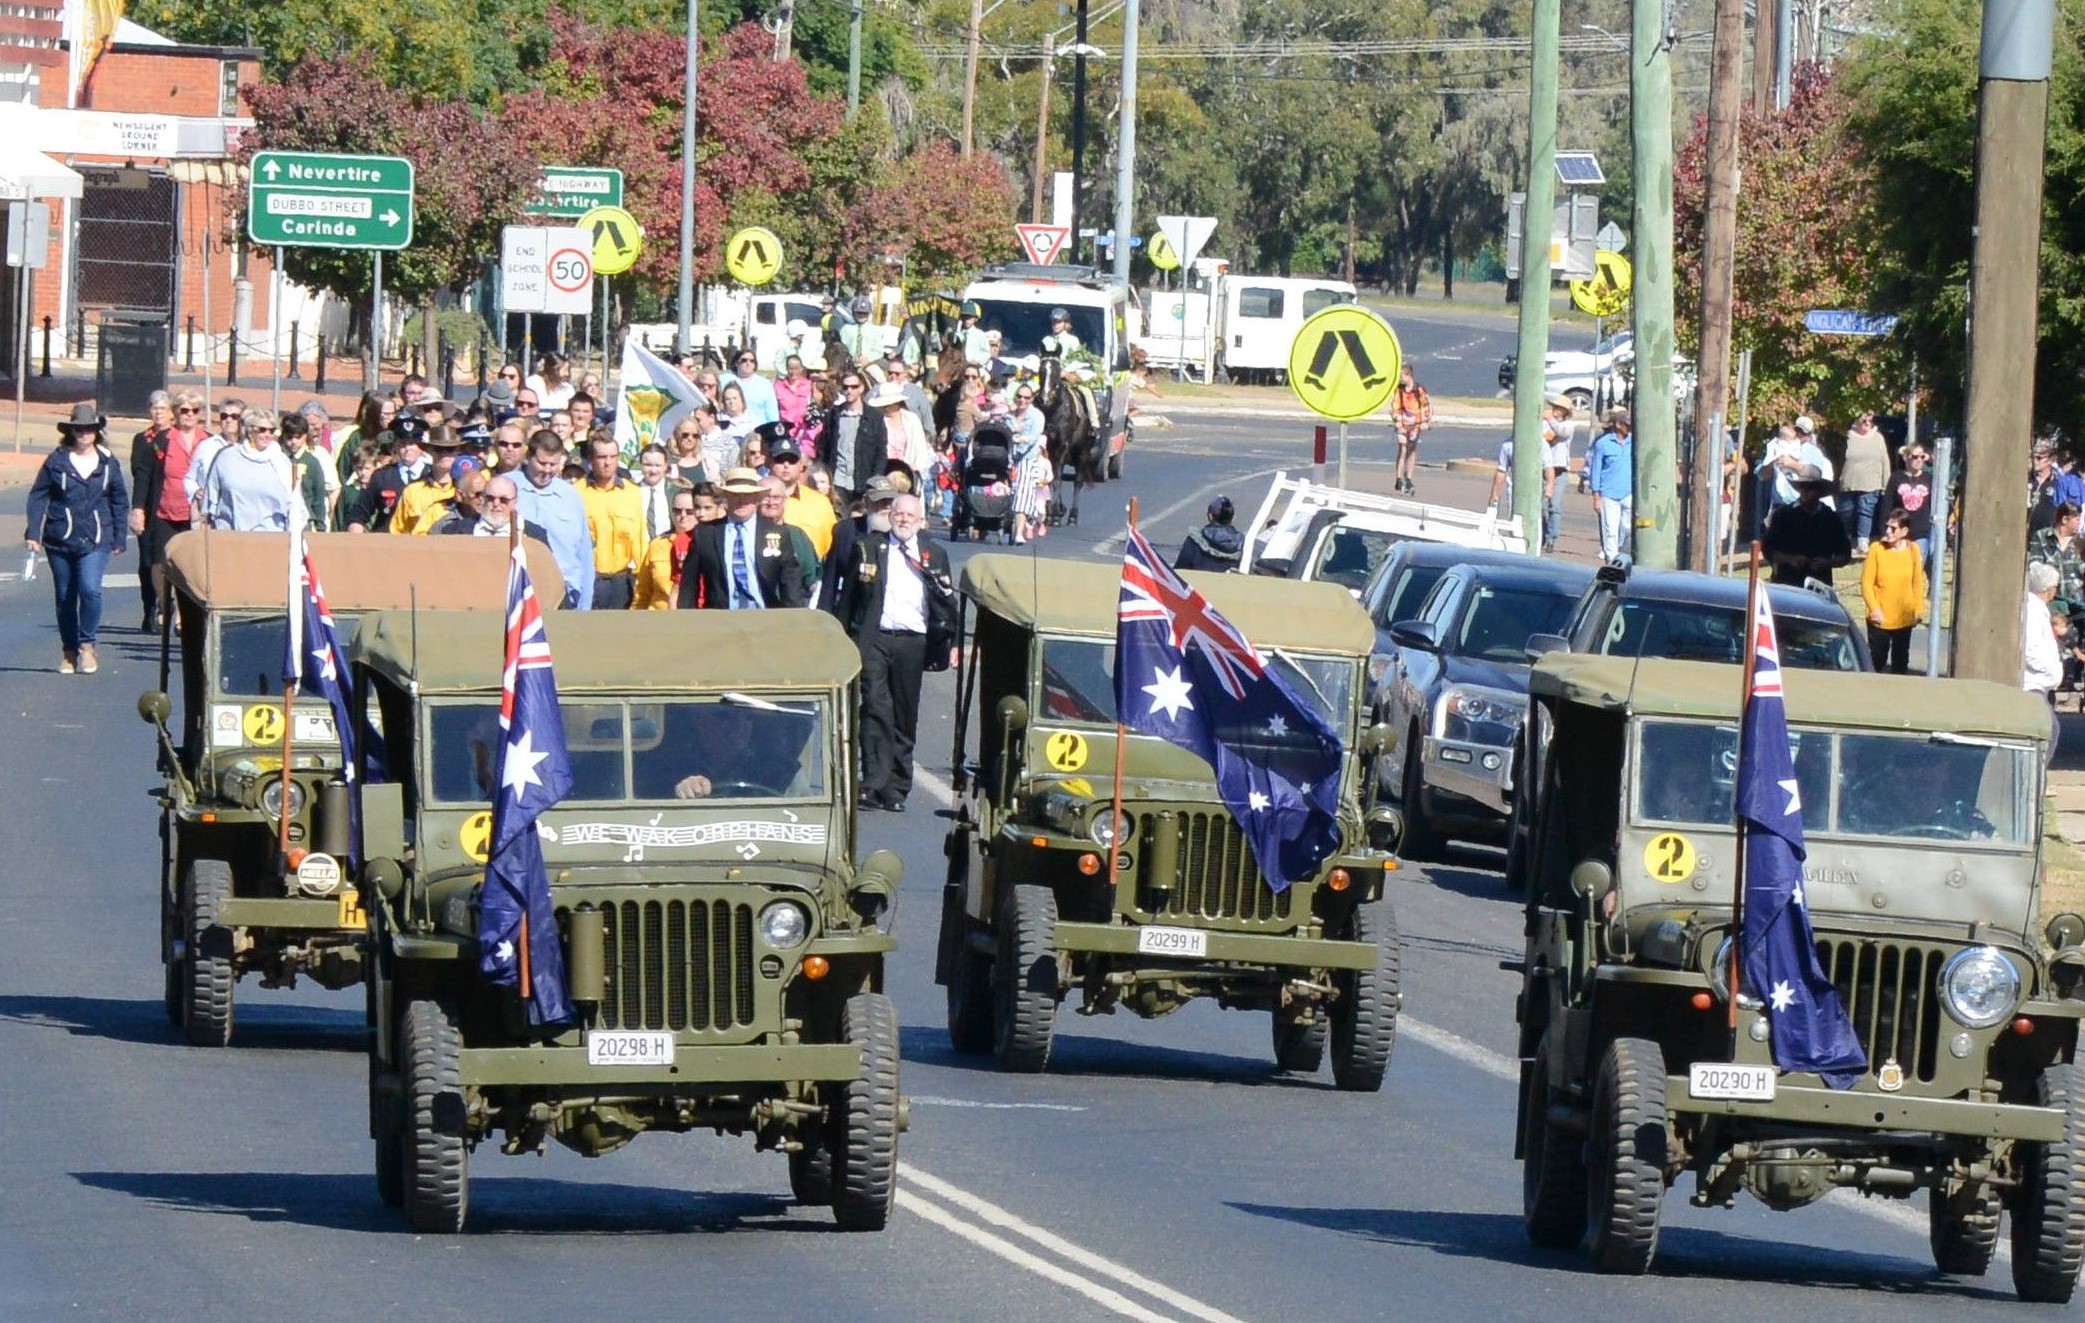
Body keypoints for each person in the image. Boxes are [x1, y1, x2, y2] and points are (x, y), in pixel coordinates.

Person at [834, 492, 956, 810]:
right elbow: (848, 599)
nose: (903, 520)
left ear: (921, 521)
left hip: (912, 642)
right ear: (890, 517)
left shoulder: (934, 554)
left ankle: (897, 787)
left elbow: (948, 605)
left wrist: (950, 643)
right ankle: (872, 782)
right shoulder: (869, 548)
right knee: (875, 705)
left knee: (904, 713)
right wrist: (839, 637)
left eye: (910, 516)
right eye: (898, 514)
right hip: (874, 638)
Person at [25, 403, 129, 674]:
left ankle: (87, 645)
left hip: (96, 537)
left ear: (97, 431)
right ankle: (69, 651)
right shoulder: (56, 461)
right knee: (64, 595)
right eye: (79, 429)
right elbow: (39, 496)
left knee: (90, 588)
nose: (84, 433)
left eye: (89, 429)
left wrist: (119, 536)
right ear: (71, 432)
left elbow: (119, 500)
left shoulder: (107, 463)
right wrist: (33, 531)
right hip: (60, 537)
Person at [679, 465, 804, 609]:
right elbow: (688, 585)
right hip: (721, 620)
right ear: (726, 497)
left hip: (765, 618)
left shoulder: (777, 533)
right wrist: (689, 623)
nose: (742, 500)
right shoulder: (705, 533)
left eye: (747, 495)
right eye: (735, 494)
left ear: (757, 497)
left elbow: (790, 582)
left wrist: (794, 624)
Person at [512, 430, 595, 609]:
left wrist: (585, 606)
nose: (547, 471)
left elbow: (584, 554)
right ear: (528, 457)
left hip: (564, 593)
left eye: (553, 464)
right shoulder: (507, 488)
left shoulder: (570, 496)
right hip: (518, 591)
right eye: (542, 463)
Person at [128, 390, 184, 632]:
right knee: (148, 562)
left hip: (175, 507)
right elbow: (139, 475)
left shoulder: (179, 438)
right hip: (151, 505)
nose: (158, 413)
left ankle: (172, 608)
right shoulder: (143, 439)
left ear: (172, 412)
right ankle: (150, 606)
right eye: (154, 408)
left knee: (172, 562)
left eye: (163, 408)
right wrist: (138, 508)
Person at [201, 408, 300, 532]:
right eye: (262, 430)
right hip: (230, 536)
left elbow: (293, 503)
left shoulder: (282, 462)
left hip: (270, 538)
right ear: (250, 431)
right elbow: (211, 497)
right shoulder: (226, 457)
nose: (268, 435)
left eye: (272, 430)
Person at [579, 433, 645, 610]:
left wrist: (642, 580)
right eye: (601, 457)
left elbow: (639, 540)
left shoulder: (632, 493)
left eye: (612, 457)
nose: (607, 462)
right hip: (588, 579)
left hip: (621, 582)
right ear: (591, 459)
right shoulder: (576, 493)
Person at [1860, 510, 1928, 674]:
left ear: (1904, 532)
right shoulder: (1877, 549)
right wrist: (1874, 609)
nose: (1888, 531)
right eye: (1887, 527)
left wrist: (1918, 610)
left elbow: (1917, 583)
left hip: (1904, 617)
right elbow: (1866, 583)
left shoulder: (1913, 550)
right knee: (1878, 657)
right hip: (1880, 618)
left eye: (1893, 528)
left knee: (1900, 661)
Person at [758, 423, 836, 562]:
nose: (786, 465)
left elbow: (831, 547)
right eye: (780, 460)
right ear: (769, 462)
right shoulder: (758, 499)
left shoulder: (820, 503)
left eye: (792, 460)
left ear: (801, 465)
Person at [1762, 475, 1852, 587]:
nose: (1804, 491)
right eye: (1802, 487)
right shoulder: (1783, 514)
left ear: (1819, 491)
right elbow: (1768, 549)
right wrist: (1790, 560)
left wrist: (1826, 563)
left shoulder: (1831, 518)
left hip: (1819, 584)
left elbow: (1845, 555)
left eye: (1810, 488)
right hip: (1786, 583)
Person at [347, 414, 429, 532]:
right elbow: (358, 515)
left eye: (412, 443)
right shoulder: (382, 476)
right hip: (386, 542)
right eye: (403, 443)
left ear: (421, 446)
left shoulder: (431, 475)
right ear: (395, 445)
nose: (407, 448)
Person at [391, 424, 472, 535]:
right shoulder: (412, 491)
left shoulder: (466, 490)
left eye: (450, 449)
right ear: (429, 450)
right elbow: (398, 531)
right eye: (438, 449)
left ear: (458, 451)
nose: (444, 454)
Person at [820, 367, 885, 502]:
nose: (849, 391)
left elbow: (880, 453)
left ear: (861, 388)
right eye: (845, 387)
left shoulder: (874, 417)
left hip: (863, 483)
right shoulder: (833, 415)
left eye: (854, 387)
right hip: (838, 481)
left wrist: (874, 482)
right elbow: (824, 448)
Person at [760, 475, 823, 603]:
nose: (771, 503)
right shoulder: (747, 535)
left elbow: (810, 580)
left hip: (791, 611)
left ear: (785, 500)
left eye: (776, 497)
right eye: (765, 497)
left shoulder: (797, 535)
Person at [635, 488, 700, 609]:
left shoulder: (705, 544)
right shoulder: (657, 545)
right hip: (658, 616)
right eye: (677, 510)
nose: (683, 515)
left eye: (689, 511)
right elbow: (642, 591)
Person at [1007, 384, 1053, 545]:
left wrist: (1017, 437)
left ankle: (1019, 532)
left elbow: (1032, 437)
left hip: (1027, 460)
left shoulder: (1037, 416)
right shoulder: (1009, 416)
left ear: (1032, 398)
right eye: (1019, 396)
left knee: (1022, 495)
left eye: (1026, 397)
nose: (1022, 400)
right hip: (1008, 460)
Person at [1585, 408, 1634, 560]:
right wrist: (1596, 496)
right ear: (1619, 425)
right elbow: (1596, 470)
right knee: (1610, 529)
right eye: (1628, 425)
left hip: (1629, 492)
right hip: (1608, 494)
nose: (1630, 428)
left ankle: (1623, 555)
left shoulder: (1635, 443)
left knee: (1628, 528)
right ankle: (1612, 559)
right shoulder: (1603, 443)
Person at [1839, 410, 1891, 554]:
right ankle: (1843, 541)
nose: (1867, 424)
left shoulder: (1878, 438)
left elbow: (1885, 461)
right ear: (1856, 422)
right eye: (1864, 421)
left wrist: (1886, 483)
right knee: (1845, 512)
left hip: (1871, 482)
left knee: (1865, 511)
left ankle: (1863, 541)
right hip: (1849, 482)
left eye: (1870, 421)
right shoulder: (1847, 437)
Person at [1757, 418, 1833, 513]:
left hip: (1801, 506)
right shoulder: (1775, 445)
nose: (1799, 434)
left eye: (1804, 433)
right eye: (1798, 430)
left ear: (1809, 435)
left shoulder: (1813, 451)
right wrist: (1772, 462)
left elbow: (1816, 475)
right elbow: (1762, 475)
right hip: (1778, 506)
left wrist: (1793, 464)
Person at [1883, 441, 1937, 570]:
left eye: (1922, 457)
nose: (1919, 460)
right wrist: (1884, 530)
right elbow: (1887, 505)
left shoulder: (1929, 479)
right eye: (1915, 456)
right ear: (1906, 457)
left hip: (1922, 532)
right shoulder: (1896, 478)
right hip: (1901, 532)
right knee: (1901, 569)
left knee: (1916, 568)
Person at [279, 412, 332, 531]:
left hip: (305, 521)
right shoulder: (277, 459)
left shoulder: (312, 462)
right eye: (289, 437)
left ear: (305, 436)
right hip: (280, 521)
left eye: (298, 437)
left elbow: (318, 497)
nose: (293, 441)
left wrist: (320, 525)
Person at [1539, 393, 1575, 553]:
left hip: (1559, 470)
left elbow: (1561, 432)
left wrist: (1550, 420)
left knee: (1555, 506)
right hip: (1545, 469)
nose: (1555, 410)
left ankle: (1552, 538)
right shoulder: (1545, 424)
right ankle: (1541, 534)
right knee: (1541, 506)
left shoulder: (1568, 425)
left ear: (1565, 411)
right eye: (1554, 407)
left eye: (1559, 408)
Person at [1390, 364, 1431, 496]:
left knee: (1412, 449)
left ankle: (1408, 478)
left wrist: (1425, 422)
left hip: (1415, 424)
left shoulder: (1419, 390)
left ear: (1409, 376)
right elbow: (1394, 407)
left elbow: (1426, 406)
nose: (1400, 379)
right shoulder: (1399, 391)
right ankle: (1398, 478)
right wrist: (1398, 423)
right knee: (1402, 449)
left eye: (1401, 376)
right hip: (1403, 424)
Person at [1175, 496, 1244, 572]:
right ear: (1233, 519)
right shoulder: (1245, 544)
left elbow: (1179, 572)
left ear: (1210, 516)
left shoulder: (1193, 542)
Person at [634, 443, 675, 545]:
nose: (653, 470)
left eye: (658, 465)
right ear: (641, 465)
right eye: (648, 465)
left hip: (667, 550)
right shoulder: (632, 491)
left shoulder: (674, 491)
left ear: (665, 466)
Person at [729, 347, 780, 427]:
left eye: (752, 361)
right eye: (744, 360)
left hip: (759, 432)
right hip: (731, 431)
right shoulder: (725, 380)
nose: (748, 363)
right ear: (736, 363)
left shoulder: (765, 384)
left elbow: (773, 416)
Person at [2031, 440, 2064, 534]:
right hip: (2025, 534)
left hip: (2046, 537)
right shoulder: (2028, 479)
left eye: (2039, 458)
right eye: (2033, 457)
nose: (2035, 461)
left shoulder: (2058, 483)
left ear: (2050, 460)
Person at [956, 300, 992, 366]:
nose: (966, 320)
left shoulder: (980, 335)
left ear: (975, 318)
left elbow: (987, 353)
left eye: (969, 317)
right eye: (964, 317)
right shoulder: (958, 335)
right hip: (960, 366)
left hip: (976, 366)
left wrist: (977, 361)